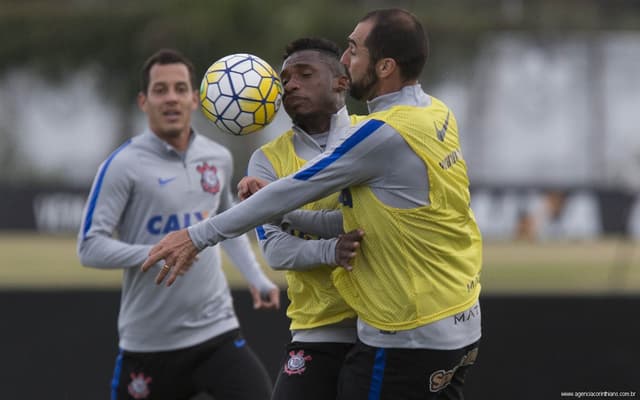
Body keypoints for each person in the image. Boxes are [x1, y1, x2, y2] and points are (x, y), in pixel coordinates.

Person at [143, 9, 482, 399]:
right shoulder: (435, 111)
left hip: (410, 327)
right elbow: (353, 223)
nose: (346, 58)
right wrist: (296, 224)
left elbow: (293, 189)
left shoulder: (378, 135)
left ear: (384, 66)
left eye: (353, 50)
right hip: (453, 316)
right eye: (285, 78)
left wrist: (196, 236)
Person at [77, 48, 279, 400]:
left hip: (216, 331)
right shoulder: (122, 165)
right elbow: (89, 247)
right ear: (143, 101)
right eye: (160, 89)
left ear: (196, 100)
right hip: (150, 342)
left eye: (180, 88)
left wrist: (256, 277)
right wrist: (160, 251)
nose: (171, 98)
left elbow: (226, 224)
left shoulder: (217, 158)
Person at [248, 37, 364, 400]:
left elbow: (367, 225)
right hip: (317, 330)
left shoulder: (373, 138)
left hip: (382, 328)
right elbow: (277, 252)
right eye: (285, 79)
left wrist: (276, 205)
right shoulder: (266, 160)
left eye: (305, 74)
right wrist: (333, 251)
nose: (291, 85)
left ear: (341, 81)